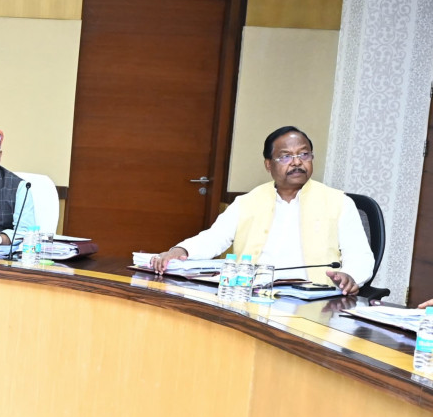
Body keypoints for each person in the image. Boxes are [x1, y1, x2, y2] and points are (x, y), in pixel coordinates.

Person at [150, 126, 373, 294]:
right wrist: (180, 250)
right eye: (286, 156)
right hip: (253, 294)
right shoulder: (248, 201)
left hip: (315, 300)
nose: (297, 162)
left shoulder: (339, 202)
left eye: (304, 154)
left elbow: (359, 254)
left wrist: (350, 276)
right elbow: (214, 238)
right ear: (268, 164)